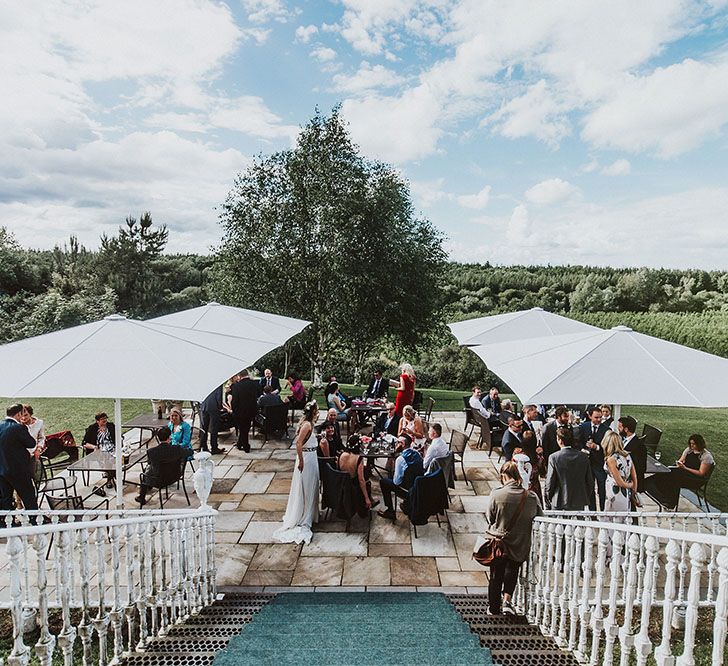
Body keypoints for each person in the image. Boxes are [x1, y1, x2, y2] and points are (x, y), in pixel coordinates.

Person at [485, 461, 542, 615]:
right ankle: (507, 600)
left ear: (503, 476)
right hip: (520, 543)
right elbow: (539, 517)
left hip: (500, 542)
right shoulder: (531, 496)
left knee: (496, 574)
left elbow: (490, 518)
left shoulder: (496, 494)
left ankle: (493, 608)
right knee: (513, 570)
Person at [274, 401, 321, 544]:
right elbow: (299, 443)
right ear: (313, 412)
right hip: (307, 458)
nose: (318, 413)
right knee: (307, 487)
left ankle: (310, 514)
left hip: (312, 457)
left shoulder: (308, 424)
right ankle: (304, 516)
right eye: (317, 410)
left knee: (312, 485)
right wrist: (301, 461)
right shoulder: (307, 425)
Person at [644, 434, 715, 511]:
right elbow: (681, 460)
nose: (692, 445)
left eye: (694, 444)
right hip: (684, 472)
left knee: (673, 478)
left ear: (699, 444)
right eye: (691, 443)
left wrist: (685, 468)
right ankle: (661, 496)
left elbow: (701, 473)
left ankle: (670, 502)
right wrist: (679, 464)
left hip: (696, 479)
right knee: (664, 473)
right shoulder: (689, 450)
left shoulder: (706, 456)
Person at [0, 404, 39, 515]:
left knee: (5, 498)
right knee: (28, 496)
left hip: (2, 469)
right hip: (18, 470)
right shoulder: (18, 427)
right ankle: (34, 519)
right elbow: (31, 443)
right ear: (18, 414)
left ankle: (8, 522)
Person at [545, 427, 593, 510]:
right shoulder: (583, 457)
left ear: (560, 440)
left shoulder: (554, 457)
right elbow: (590, 481)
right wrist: (584, 496)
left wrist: (548, 497)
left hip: (559, 499)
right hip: (578, 500)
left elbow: (550, 481)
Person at [377, 433, 423, 521]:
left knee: (384, 482)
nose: (395, 444)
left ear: (402, 444)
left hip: (408, 491)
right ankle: (406, 504)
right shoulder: (417, 453)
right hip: (418, 486)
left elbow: (396, 482)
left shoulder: (401, 459)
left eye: (397, 442)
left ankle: (390, 511)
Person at [579, 407, 610, 511]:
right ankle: (593, 513)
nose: (599, 420)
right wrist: (582, 449)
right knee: (590, 489)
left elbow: (608, 447)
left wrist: (596, 447)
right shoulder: (583, 427)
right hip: (587, 464)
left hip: (600, 464)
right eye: (596, 417)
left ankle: (603, 511)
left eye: (600, 417)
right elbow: (578, 442)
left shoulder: (606, 430)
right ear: (590, 416)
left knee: (602, 489)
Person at [338, 435, 377, 516]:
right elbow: (361, 480)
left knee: (366, 471)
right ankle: (365, 506)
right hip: (353, 485)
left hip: (341, 483)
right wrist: (366, 498)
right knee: (366, 481)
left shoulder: (341, 455)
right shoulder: (358, 458)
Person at [602, 430, 637, 512]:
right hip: (626, 494)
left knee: (612, 519)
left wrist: (630, 485)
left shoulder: (611, 459)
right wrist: (633, 492)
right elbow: (634, 476)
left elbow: (619, 482)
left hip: (615, 493)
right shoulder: (627, 456)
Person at [231, 370, 259, 452]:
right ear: (247, 375)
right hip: (251, 410)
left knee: (243, 429)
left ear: (239, 376)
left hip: (240, 411)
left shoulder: (237, 386)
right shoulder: (254, 384)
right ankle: (239, 444)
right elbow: (259, 394)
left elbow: (234, 401)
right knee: (245, 428)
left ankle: (246, 447)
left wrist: (233, 410)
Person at [512, 430, 543, 504]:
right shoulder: (539, 459)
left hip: (518, 487)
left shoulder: (516, 455)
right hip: (534, 489)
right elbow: (543, 474)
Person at [199, 385, 226, 455]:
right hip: (214, 407)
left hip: (204, 406)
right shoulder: (218, 382)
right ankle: (214, 447)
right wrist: (220, 407)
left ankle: (203, 446)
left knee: (204, 427)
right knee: (214, 428)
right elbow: (218, 396)